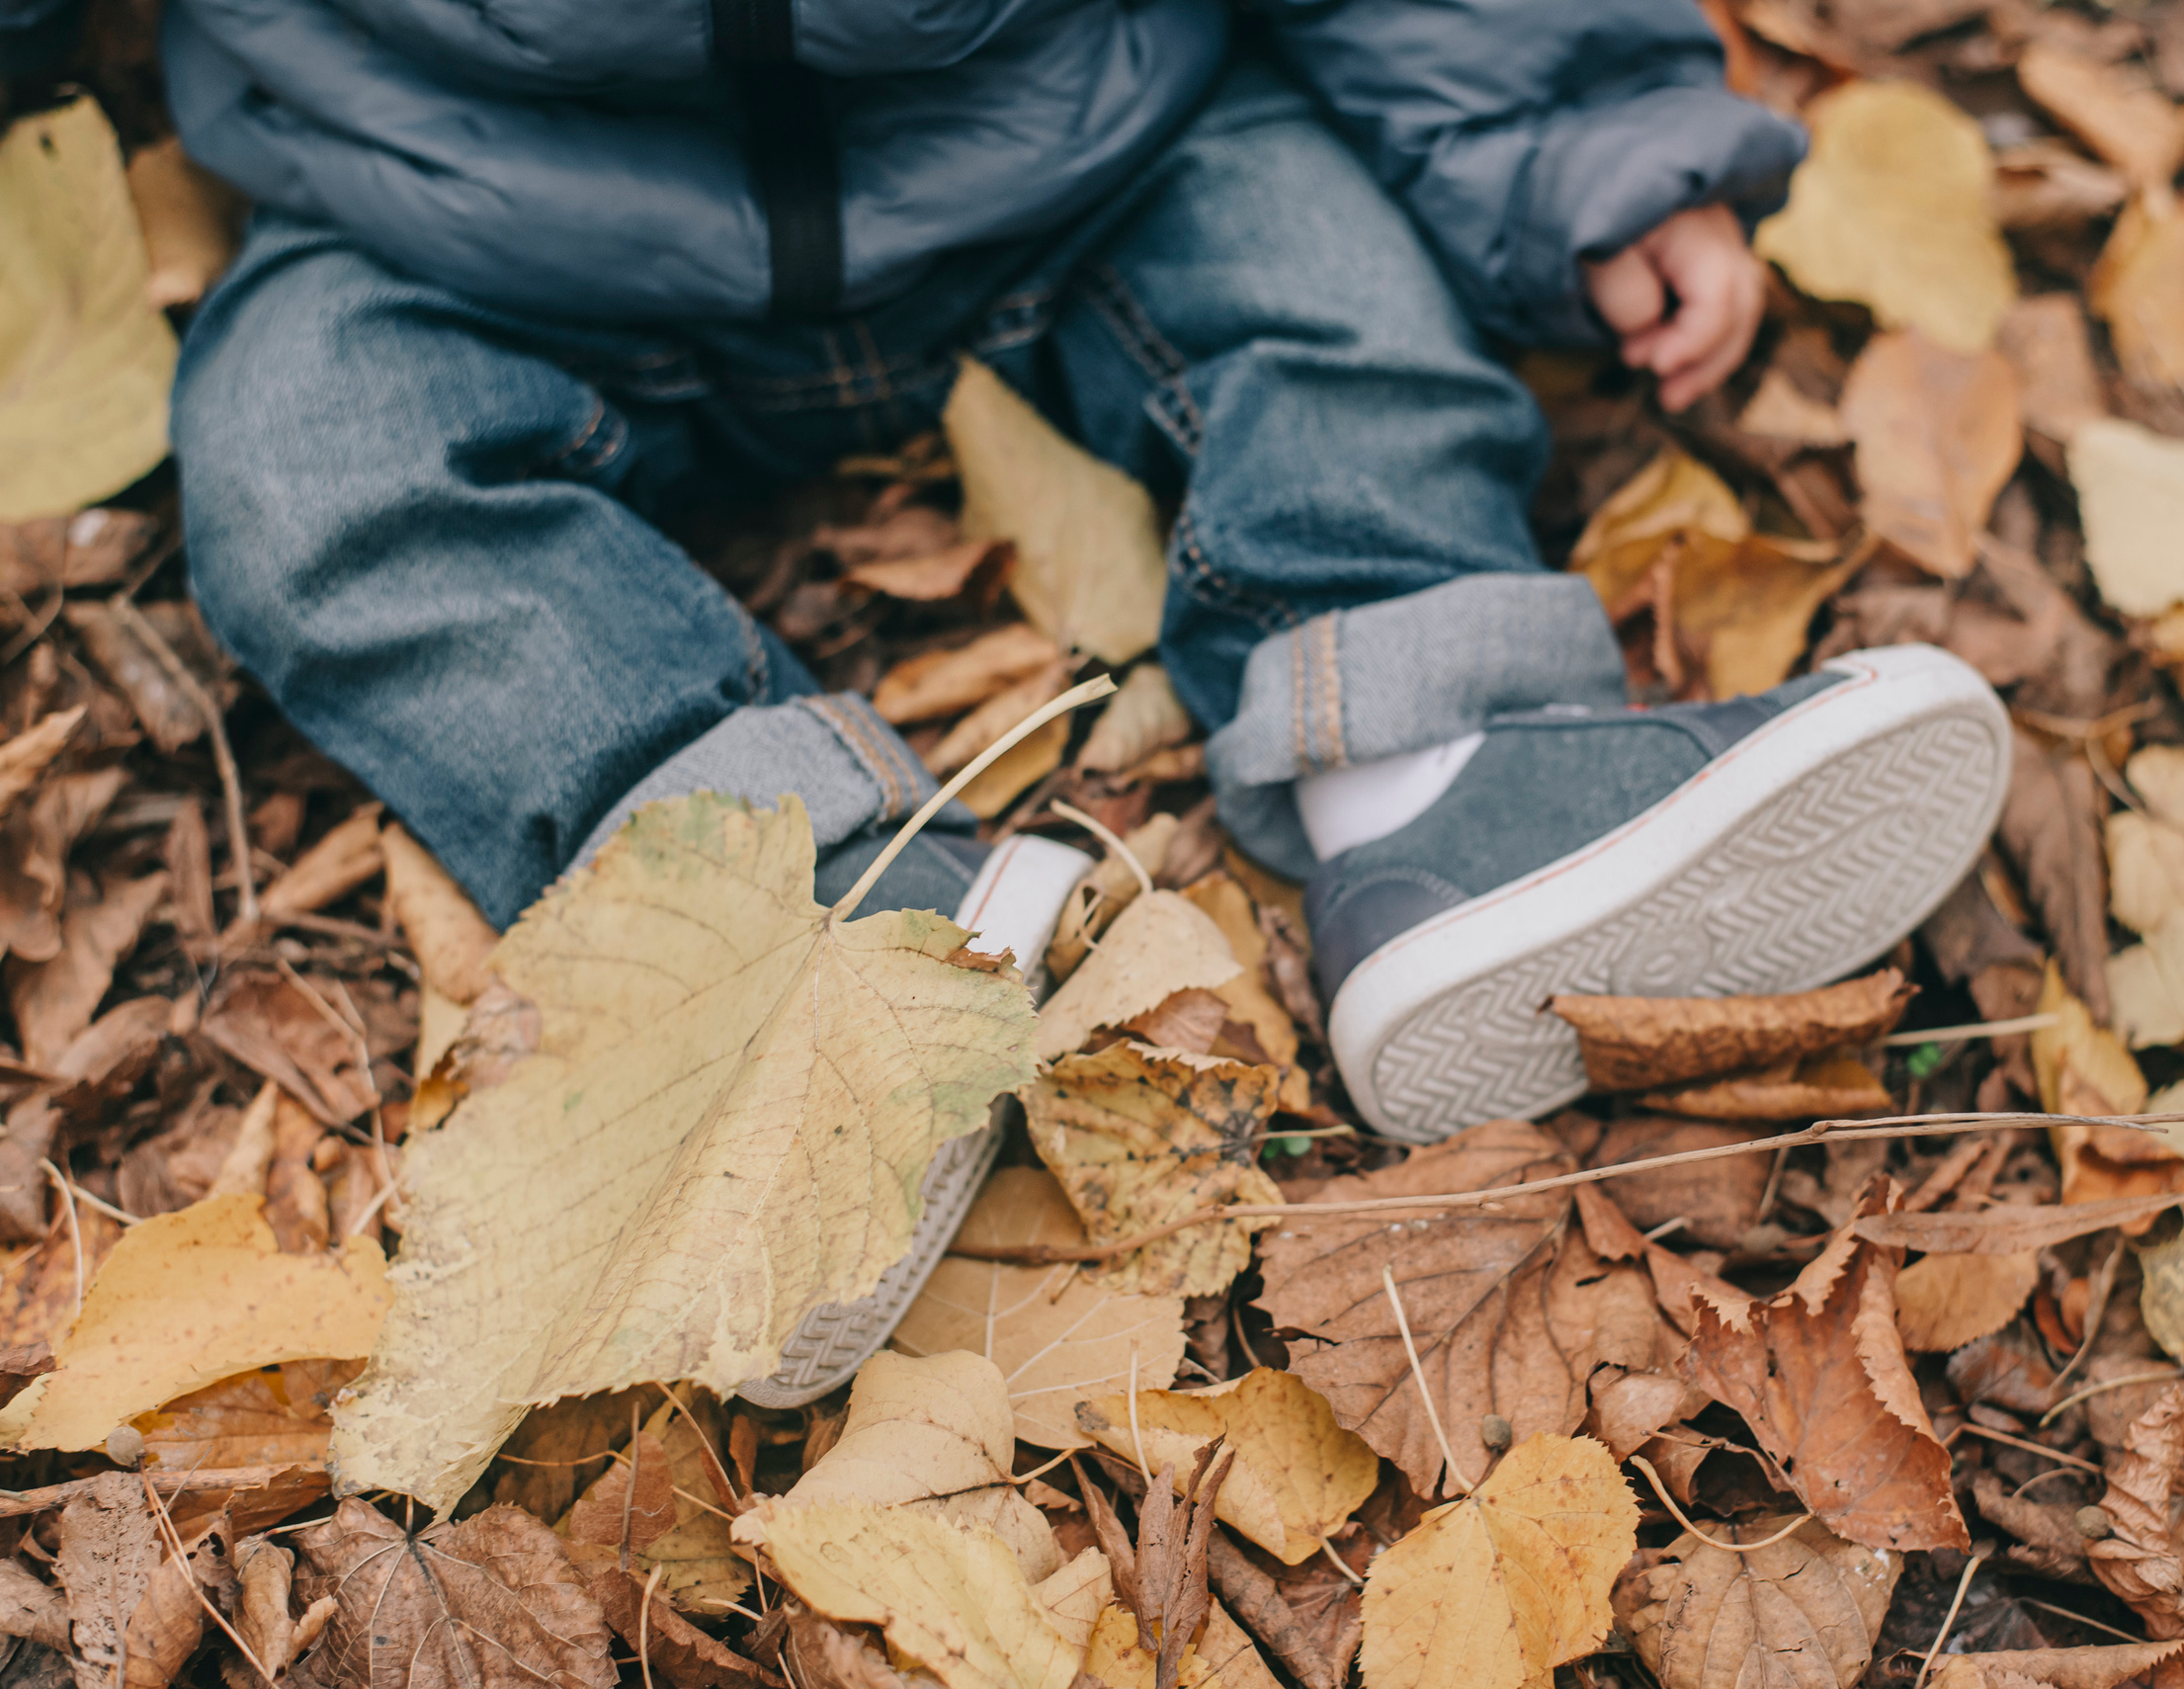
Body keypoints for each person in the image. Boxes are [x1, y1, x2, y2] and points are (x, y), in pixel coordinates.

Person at [1, 0, 2012, 1396]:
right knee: (306, 455)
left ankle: (1429, 776)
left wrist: (1576, 138)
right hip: (466, 221)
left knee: (1324, 283)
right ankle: (795, 914)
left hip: (1078, 147)